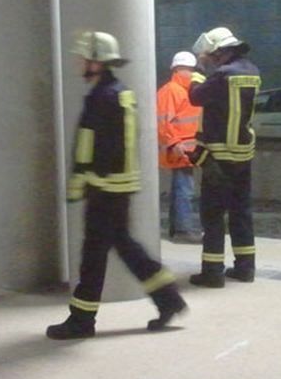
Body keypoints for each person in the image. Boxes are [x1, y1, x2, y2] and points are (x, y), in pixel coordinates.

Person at [46, 31, 186, 340]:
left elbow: (88, 145)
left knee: (94, 255)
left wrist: (78, 183)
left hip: (104, 187)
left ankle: (82, 321)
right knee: (124, 246)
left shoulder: (102, 96)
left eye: (83, 57)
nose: (79, 62)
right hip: (118, 186)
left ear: (96, 61)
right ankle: (169, 298)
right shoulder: (119, 92)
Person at [187, 27, 261, 288]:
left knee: (214, 214)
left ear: (219, 52)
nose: (208, 58)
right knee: (241, 211)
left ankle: (212, 272)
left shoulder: (222, 75)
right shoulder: (252, 71)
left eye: (209, 55)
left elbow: (195, 97)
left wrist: (197, 72)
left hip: (218, 155)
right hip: (243, 152)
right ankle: (245, 268)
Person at [156, 51, 202, 244]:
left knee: (180, 189)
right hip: (180, 148)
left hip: (184, 147)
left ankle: (178, 229)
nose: (188, 73)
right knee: (185, 190)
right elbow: (164, 121)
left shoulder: (181, 90)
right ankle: (183, 230)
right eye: (186, 70)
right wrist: (175, 143)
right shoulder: (176, 90)